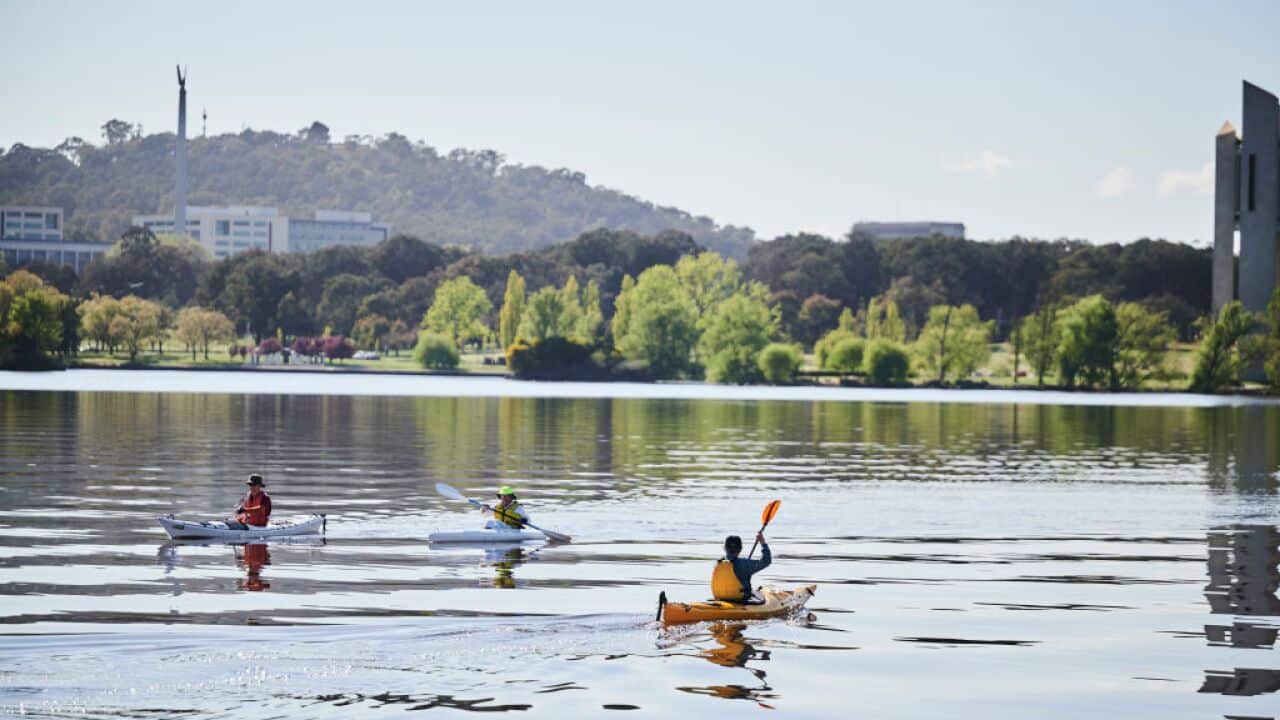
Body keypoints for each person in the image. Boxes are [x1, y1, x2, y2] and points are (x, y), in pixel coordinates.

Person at [711, 532, 771, 604]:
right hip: (740, 599)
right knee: (758, 594)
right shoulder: (744, 564)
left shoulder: (718, 563)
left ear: (724, 548)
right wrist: (763, 542)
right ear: (740, 549)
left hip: (720, 598)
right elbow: (766, 561)